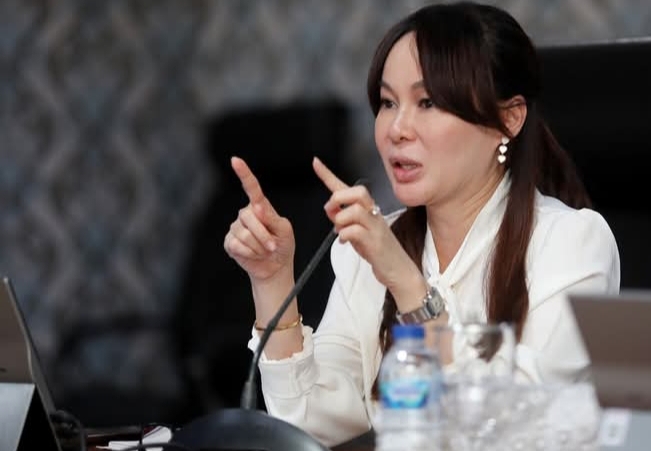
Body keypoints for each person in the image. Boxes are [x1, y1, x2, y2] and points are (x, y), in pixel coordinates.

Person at [223, 1, 620, 446]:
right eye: (388, 102)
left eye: (427, 102)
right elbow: (314, 424)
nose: (397, 128)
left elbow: (521, 425)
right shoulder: (369, 249)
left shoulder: (572, 242)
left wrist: (407, 284)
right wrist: (274, 282)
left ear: (508, 119)